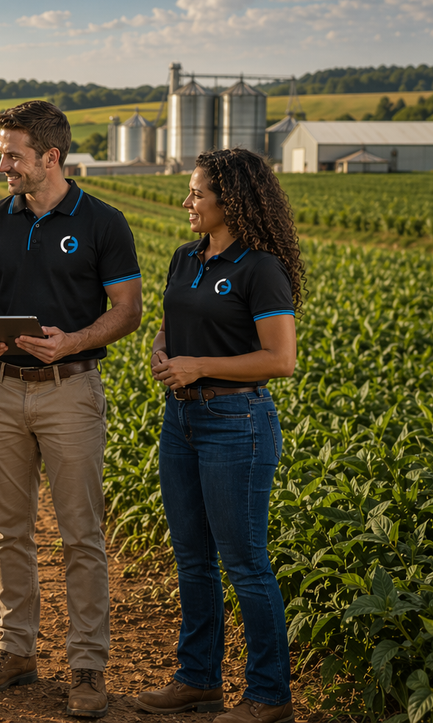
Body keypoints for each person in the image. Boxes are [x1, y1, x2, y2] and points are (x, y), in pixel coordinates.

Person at [0, 101, 142, 718]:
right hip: (2, 389)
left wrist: (75, 340)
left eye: (13, 155)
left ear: (50, 158)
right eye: (2, 152)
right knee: (9, 529)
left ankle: (88, 665)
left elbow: (127, 310)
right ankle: (17, 651)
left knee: (80, 535)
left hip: (71, 390)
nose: (2, 164)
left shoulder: (103, 222)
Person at [138, 149, 303, 723]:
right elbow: (172, 322)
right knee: (193, 558)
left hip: (237, 424)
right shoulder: (187, 257)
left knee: (244, 562)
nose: (187, 201)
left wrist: (197, 366)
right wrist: (162, 349)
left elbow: (280, 360)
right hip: (180, 420)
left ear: (229, 200)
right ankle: (199, 679)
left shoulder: (261, 268)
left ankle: (268, 694)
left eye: (196, 192)